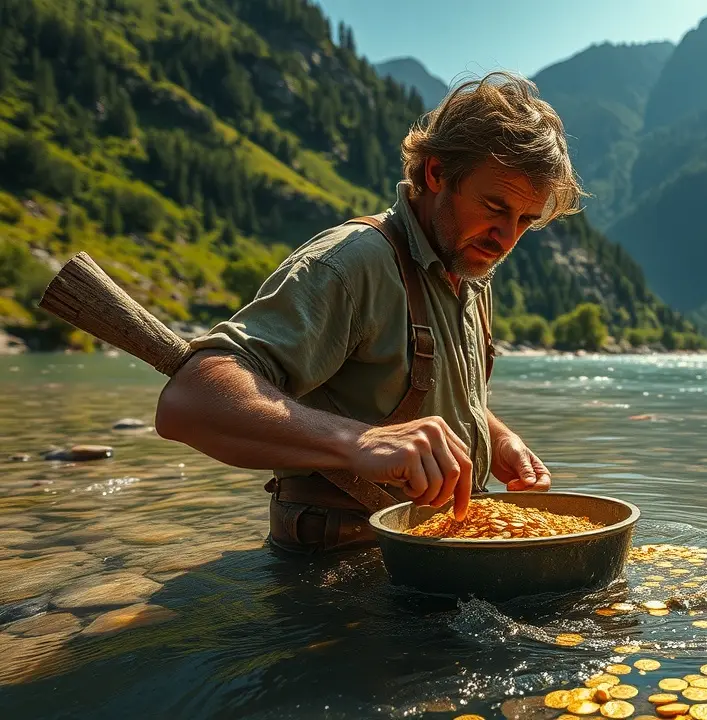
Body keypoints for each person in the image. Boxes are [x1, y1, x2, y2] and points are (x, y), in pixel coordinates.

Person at [155, 72, 583, 553]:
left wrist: (495, 437)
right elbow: (188, 401)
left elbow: (401, 390)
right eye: (494, 206)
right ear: (435, 173)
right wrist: (357, 443)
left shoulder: (468, 268)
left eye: (525, 220)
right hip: (336, 570)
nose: (506, 238)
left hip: (427, 559)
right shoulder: (349, 265)